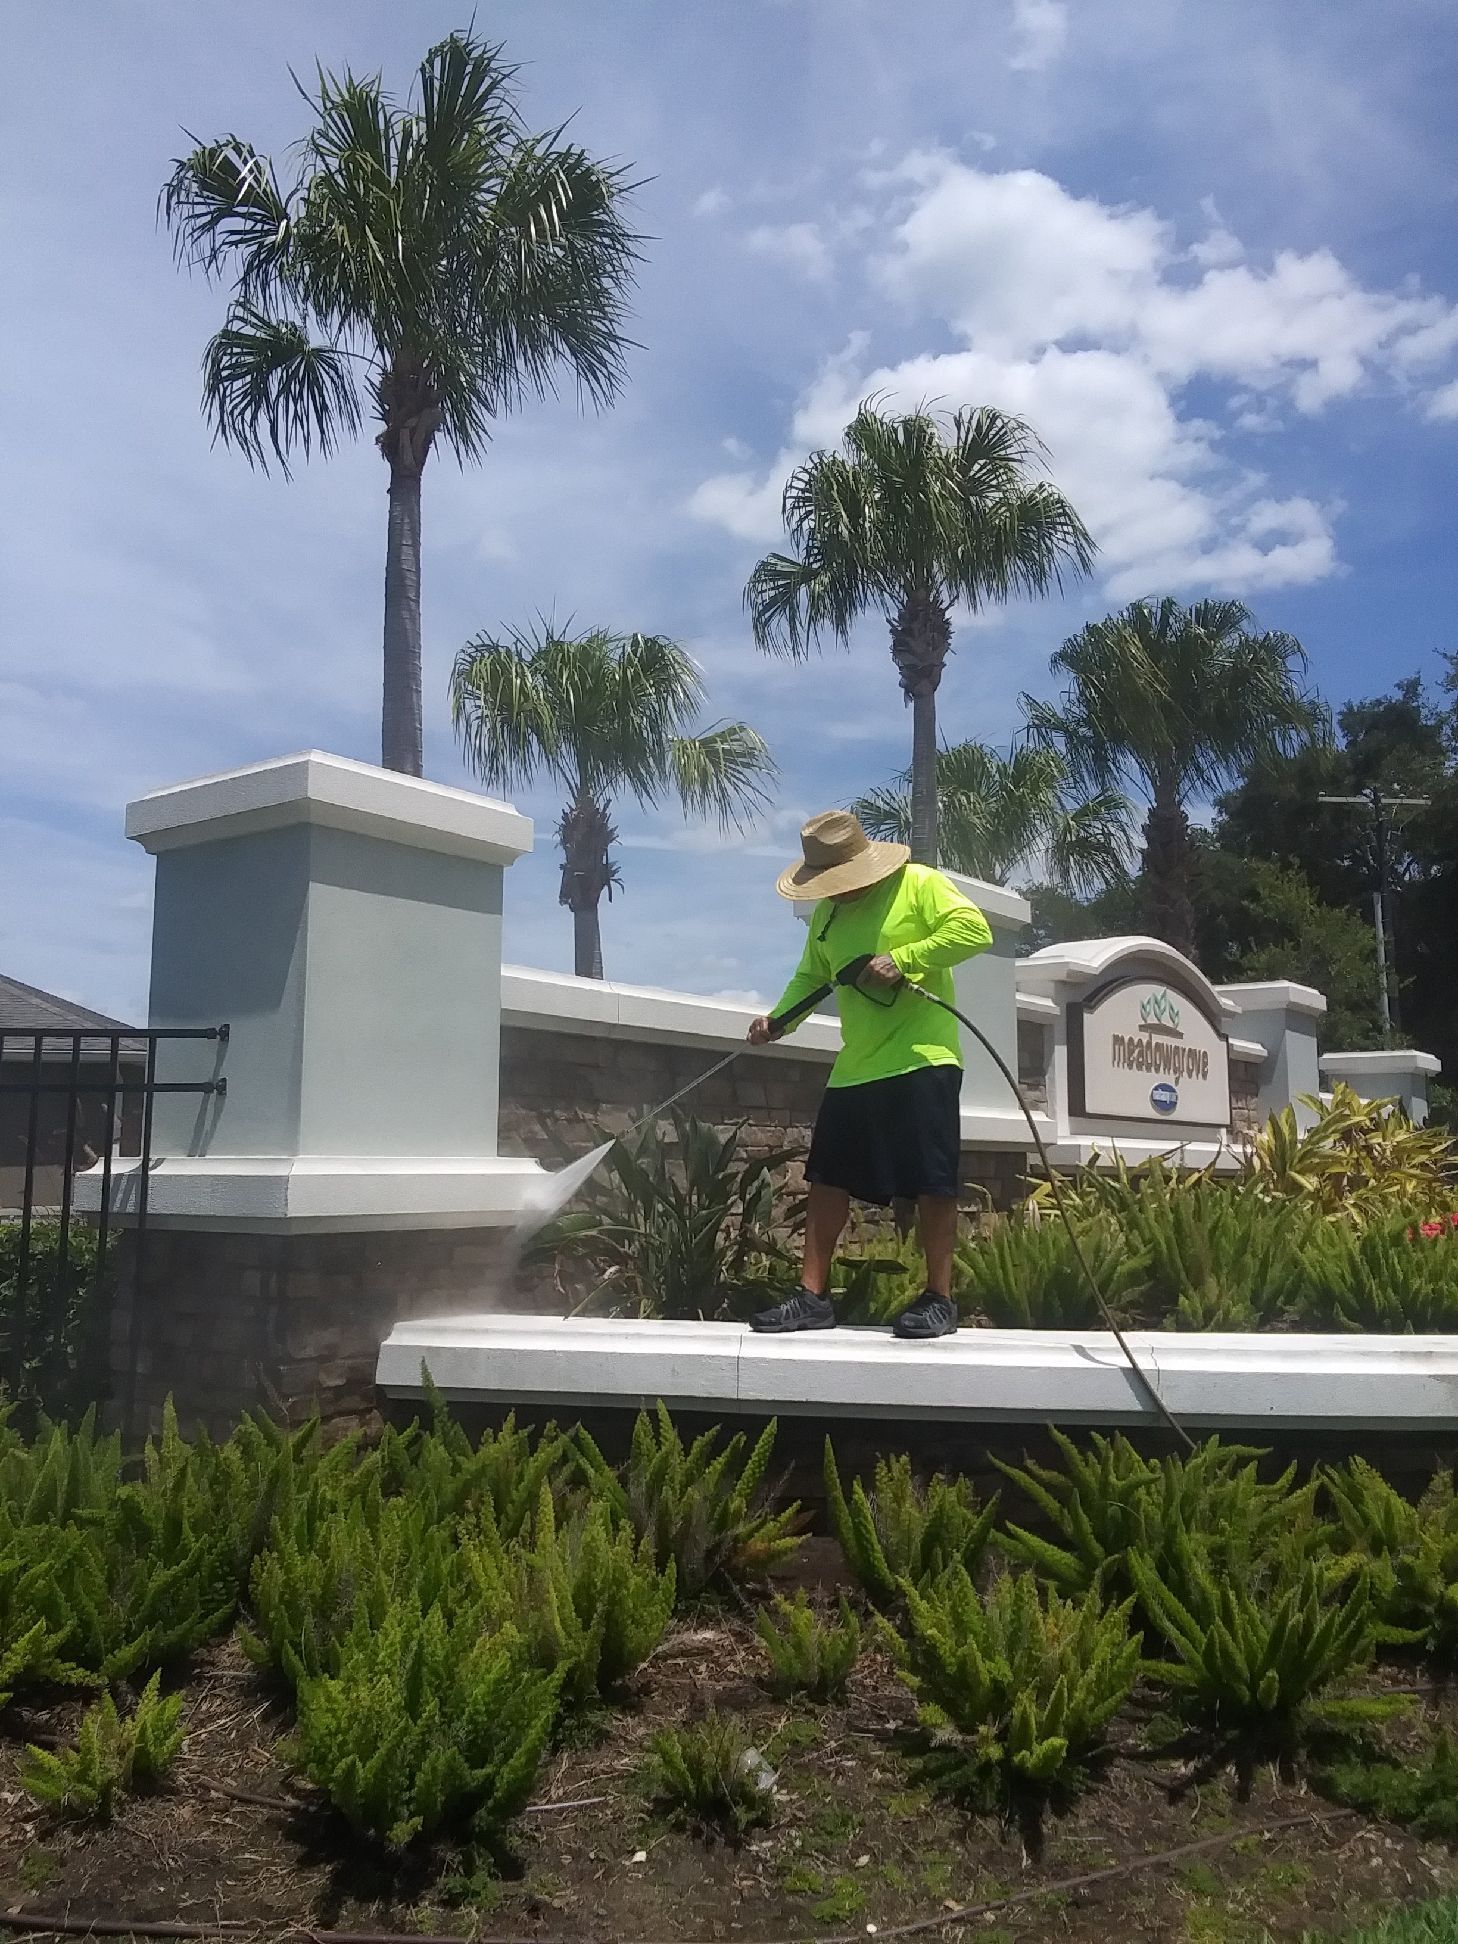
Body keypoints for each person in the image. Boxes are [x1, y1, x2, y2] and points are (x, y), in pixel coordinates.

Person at [745, 809, 993, 1340]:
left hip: (924, 1057)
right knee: (827, 1176)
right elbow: (811, 976)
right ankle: (813, 1297)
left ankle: (940, 1299)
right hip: (857, 1064)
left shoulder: (919, 884)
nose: (834, 891)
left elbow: (974, 930)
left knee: (932, 1180)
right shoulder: (826, 918)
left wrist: (905, 958)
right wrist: (777, 1021)